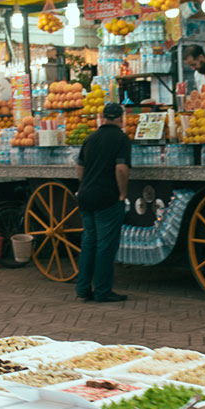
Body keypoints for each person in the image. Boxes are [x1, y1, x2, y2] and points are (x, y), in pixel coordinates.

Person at [74, 102, 131, 303]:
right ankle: (102, 290)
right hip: (107, 197)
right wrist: (122, 193)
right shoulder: (121, 139)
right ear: (121, 119)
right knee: (105, 246)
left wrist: (87, 185)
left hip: (85, 195)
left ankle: (82, 289)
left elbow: (79, 169)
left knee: (89, 243)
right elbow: (121, 168)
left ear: (103, 117)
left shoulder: (90, 138)